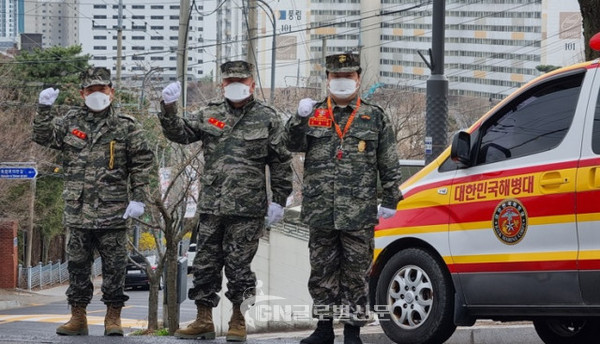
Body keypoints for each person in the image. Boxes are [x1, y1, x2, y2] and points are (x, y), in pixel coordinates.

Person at [157, 60, 292, 342]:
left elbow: (280, 161)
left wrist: (280, 199)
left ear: (252, 84)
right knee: (205, 263)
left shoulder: (268, 117)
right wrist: (168, 110)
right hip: (211, 205)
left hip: (248, 208)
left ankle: (238, 319)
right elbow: (180, 133)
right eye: (230, 81)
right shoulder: (210, 113)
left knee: (238, 265)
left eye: (241, 81)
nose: (236, 86)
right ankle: (203, 319)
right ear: (222, 84)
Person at [284, 53, 403, 344]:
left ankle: (352, 332)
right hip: (321, 207)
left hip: (358, 211)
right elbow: (290, 144)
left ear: (358, 79)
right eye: (336, 77)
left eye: (347, 77)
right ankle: (323, 329)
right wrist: (298, 119)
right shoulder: (313, 112)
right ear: (327, 80)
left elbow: (388, 160)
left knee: (356, 273)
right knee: (322, 271)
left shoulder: (374, 115)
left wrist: (391, 196)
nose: (342, 82)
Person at [32, 67, 155, 336]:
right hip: (78, 211)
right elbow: (42, 137)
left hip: (114, 212)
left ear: (111, 91)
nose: (96, 94)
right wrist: (43, 110)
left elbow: (143, 163)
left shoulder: (126, 125)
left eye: (102, 89)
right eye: (91, 90)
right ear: (82, 93)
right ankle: (78, 317)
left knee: (114, 268)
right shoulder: (70, 122)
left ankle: (113, 318)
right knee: (77, 266)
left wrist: (139, 198)